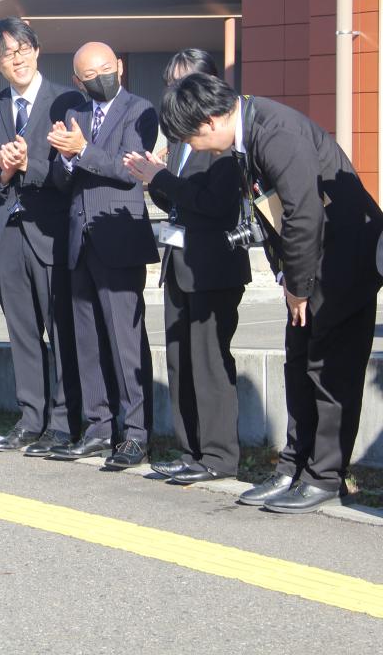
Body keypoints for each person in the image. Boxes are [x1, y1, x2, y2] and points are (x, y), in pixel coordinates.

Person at [159, 73, 383, 513]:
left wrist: (298, 287)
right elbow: (273, 213)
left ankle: (324, 476)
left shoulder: (276, 133)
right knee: (299, 363)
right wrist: (288, 279)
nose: (193, 148)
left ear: (209, 121)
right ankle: (292, 466)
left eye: (189, 138)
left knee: (328, 372)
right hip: (310, 264)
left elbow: (303, 214)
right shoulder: (249, 130)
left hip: (342, 264)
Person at [125, 50, 250, 485]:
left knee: (209, 361)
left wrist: (161, 179)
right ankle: (189, 449)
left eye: (184, 82)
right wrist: (154, 176)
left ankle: (219, 455)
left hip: (214, 265)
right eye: (170, 83)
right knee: (180, 360)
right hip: (178, 262)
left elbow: (214, 206)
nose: (175, 92)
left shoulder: (223, 141)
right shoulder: (179, 140)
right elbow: (174, 200)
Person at [45, 42, 159, 469]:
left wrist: (82, 152)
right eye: (90, 75)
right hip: (79, 237)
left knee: (124, 341)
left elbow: (129, 169)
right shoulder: (73, 113)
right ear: (78, 81)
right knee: (87, 339)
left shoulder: (139, 110)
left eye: (105, 69)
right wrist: (67, 159)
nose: (99, 78)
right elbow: (60, 178)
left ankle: (135, 433)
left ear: (120, 68)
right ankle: (97, 427)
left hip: (118, 236)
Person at [0, 17, 83, 456]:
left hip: (53, 230)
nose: (16, 58)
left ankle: (64, 420)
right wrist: (3, 169)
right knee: (21, 331)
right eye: (6, 54)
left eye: (22, 49)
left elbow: (75, 170)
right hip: (8, 235)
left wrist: (28, 165)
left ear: (36, 50)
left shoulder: (67, 101)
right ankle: (30, 417)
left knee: (63, 330)